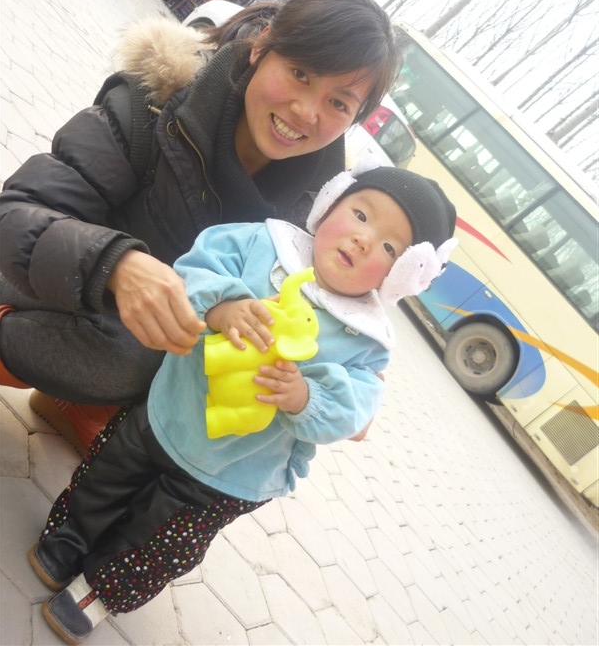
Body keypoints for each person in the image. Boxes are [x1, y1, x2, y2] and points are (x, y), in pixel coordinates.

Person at [27, 164, 457, 644]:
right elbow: (195, 267)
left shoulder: (367, 340)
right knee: (107, 474)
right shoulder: (263, 243)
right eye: (360, 214)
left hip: (233, 472)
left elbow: (356, 408)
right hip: (169, 409)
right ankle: (67, 538)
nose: (363, 239)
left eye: (390, 247)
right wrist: (219, 305)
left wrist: (307, 398)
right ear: (329, 203)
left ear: (401, 276)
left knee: (158, 538)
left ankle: (99, 590)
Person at [0, 0, 400, 453]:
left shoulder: (321, 213)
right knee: (137, 353)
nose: (306, 111)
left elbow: (315, 316)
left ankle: (84, 407)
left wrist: (348, 380)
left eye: (338, 103)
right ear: (261, 47)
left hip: (142, 341)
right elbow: (15, 213)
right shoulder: (153, 107)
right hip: (44, 285)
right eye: (300, 73)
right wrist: (118, 265)